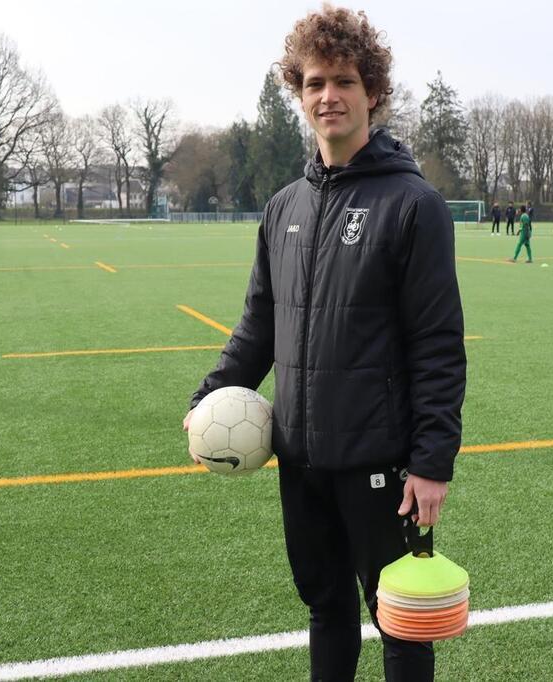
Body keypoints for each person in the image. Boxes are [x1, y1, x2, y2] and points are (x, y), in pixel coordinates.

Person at [182, 7, 466, 681]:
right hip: (301, 459)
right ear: (298, 93)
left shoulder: (413, 205)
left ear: (373, 93)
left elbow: (437, 344)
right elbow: (259, 322)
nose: (327, 96)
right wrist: (210, 396)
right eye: (313, 83)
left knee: (400, 620)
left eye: (342, 81)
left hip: (382, 463)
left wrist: (432, 460)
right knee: (324, 607)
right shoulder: (284, 207)